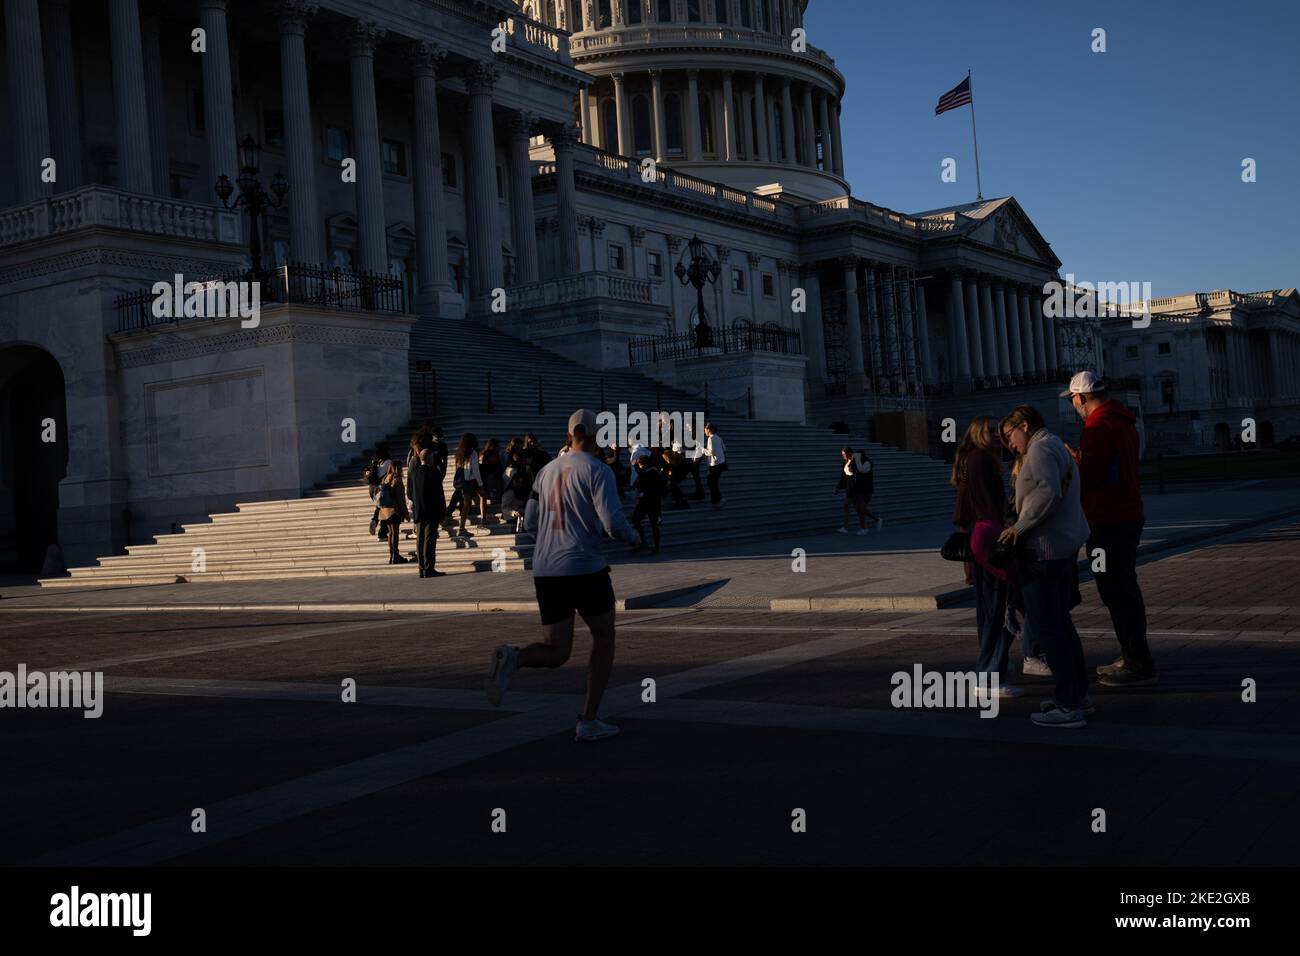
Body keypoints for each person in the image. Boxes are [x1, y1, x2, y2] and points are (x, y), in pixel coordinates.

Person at [484, 409, 641, 742]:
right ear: (591, 434)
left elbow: (529, 522)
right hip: (584, 566)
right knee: (604, 636)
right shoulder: (599, 471)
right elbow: (613, 524)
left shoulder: (545, 472)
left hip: (547, 569)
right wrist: (634, 538)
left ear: (570, 434)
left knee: (557, 651)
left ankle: (514, 657)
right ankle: (589, 719)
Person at [998, 405, 1091, 728]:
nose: (1010, 445)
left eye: (1010, 436)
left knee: (1049, 629)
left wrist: (1018, 528)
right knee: (1062, 626)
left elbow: (1047, 493)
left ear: (1024, 425)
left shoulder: (1039, 449)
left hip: (1043, 552)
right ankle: (1077, 694)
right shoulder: (1055, 444)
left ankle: (1068, 705)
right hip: (1063, 547)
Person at [1063, 371, 1157, 688]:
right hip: (1128, 513)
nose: (1074, 405)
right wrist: (1083, 459)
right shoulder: (1123, 422)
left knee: (1116, 593)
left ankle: (1137, 662)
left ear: (1079, 398)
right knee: (1125, 589)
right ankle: (1132, 655)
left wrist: (1073, 463)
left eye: (1073, 399)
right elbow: (1110, 468)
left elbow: (1091, 479)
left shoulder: (1096, 427)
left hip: (1107, 519)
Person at [951, 419, 1023, 698]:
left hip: (978, 538)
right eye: (991, 431)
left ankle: (992, 670)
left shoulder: (972, 460)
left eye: (999, 430)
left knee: (990, 611)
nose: (998, 435)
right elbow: (986, 506)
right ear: (977, 434)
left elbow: (963, 512)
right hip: (989, 539)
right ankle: (989, 675)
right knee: (999, 610)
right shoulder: (981, 460)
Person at [409, 447, 446, 578]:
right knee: (429, 539)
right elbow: (439, 493)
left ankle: (421, 569)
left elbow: (410, 493)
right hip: (432, 510)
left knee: (420, 539)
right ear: (429, 458)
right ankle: (429, 568)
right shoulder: (434, 472)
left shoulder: (413, 473)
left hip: (419, 510)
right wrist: (443, 511)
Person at [835, 447, 881, 534]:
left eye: (844, 454)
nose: (843, 456)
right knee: (850, 507)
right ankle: (848, 527)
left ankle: (871, 523)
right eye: (842, 454)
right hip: (850, 488)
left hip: (856, 488)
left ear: (849, 453)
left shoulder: (855, 462)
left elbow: (859, 474)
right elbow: (843, 477)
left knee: (859, 509)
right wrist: (838, 487)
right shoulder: (845, 462)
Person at [631, 454, 666, 554]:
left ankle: (655, 547)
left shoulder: (653, 473)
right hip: (645, 502)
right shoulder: (646, 473)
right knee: (635, 519)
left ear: (645, 464)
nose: (640, 467)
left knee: (653, 525)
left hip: (652, 503)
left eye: (640, 465)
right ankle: (644, 542)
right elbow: (638, 483)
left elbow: (647, 483)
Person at [376, 461, 409, 564]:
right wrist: (406, 513)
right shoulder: (397, 480)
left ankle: (392, 555)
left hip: (385, 511)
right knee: (395, 533)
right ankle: (396, 556)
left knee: (391, 533)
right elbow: (401, 499)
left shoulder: (385, 479)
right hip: (395, 510)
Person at [453, 433, 484, 536]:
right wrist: (480, 484)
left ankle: (462, 527)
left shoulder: (459, 452)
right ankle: (462, 528)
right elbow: (475, 470)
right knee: (468, 504)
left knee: (468, 504)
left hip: (462, 481)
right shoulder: (472, 452)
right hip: (470, 481)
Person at [366, 442, 393, 540]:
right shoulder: (388, 462)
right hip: (382, 489)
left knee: (380, 507)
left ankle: (374, 521)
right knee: (385, 509)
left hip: (372, 489)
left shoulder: (376, 461)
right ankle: (382, 532)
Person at [704, 421, 727, 507]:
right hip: (721, 464)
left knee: (711, 483)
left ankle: (719, 499)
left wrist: (703, 450)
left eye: (705, 430)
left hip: (714, 465)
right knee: (713, 483)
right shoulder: (719, 437)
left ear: (709, 430)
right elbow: (724, 448)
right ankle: (716, 501)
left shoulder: (711, 438)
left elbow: (710, 452)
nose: (704, 432)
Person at [480, 438, 505, 509]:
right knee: (493, 491)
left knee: (494, 491)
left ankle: (494, 500)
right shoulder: (490, 454)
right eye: (498, 446)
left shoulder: (489, 454)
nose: (499, 448)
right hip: (492, 476)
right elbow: (492, 466)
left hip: (493, 476)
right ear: (493, 446)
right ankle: (494, 501)